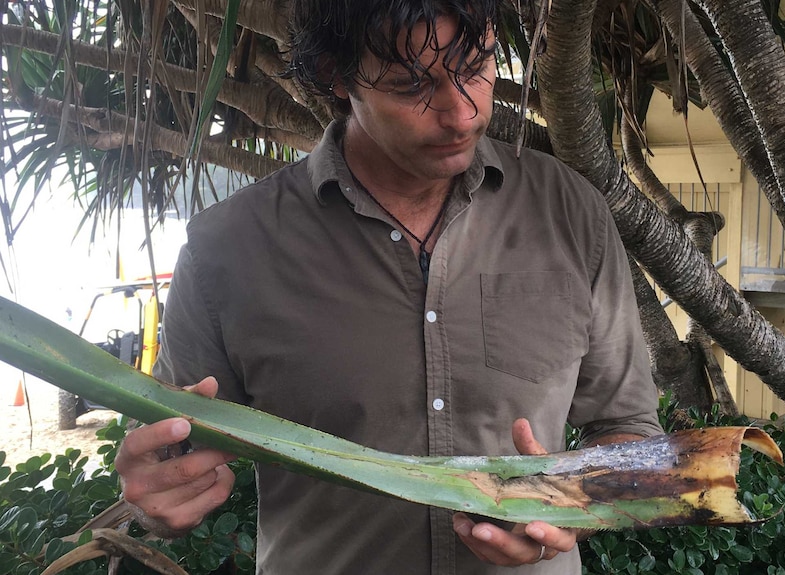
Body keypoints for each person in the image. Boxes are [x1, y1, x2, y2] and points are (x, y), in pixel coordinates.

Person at [115, 1, 663, 573]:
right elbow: (171, 456)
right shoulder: (226, 248)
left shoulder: (569, 212)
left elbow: (628, 431)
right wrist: (157, 495)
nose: (463, 112)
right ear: (336, 73)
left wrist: (568, 506)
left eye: (477, 66)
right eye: (410, 86)